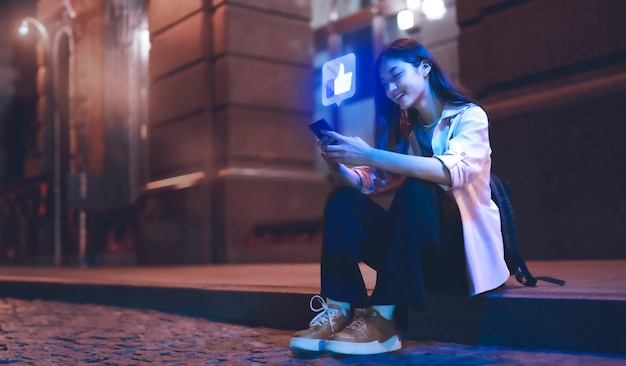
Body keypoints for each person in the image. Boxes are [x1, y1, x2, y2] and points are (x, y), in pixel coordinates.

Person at [289, 38, 510, 356]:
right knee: (341, 200)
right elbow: (363, 182)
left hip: (459, 257)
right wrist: (338, 162)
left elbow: (452, 173)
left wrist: (369, 154)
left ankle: (383, 320)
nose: (391, 88)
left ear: (424, 67)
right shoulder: (408, 133)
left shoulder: (469, 117)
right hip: (418, 257)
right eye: (384, 83)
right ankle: (339, 309)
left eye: (395, 75)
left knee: (417, 189)